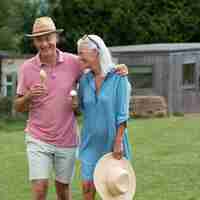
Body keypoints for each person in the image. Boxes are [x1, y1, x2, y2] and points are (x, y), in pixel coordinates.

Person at [14, 17, 127, 200]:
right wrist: (28, 96)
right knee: (40, 189)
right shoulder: (27, 69)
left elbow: (98, 67)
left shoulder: (74, 62)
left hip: (66, 139)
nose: (44, 43)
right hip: (37, 137)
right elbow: (18, 107)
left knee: (63, 191)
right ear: (34, 41)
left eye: (47, 37)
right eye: (39, 39)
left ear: (56, 37)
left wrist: (118, 69)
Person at [77, 34, 132, 200]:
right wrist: (73, 104)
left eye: (82, 53)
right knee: (87, 188)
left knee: (113, 193)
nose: (79, 58)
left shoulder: (118, 77)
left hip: (112, 143)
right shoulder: (84, 81)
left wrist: (118, 141)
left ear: (96, 52)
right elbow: (80, 109)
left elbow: (123, 114)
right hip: (90, 144)